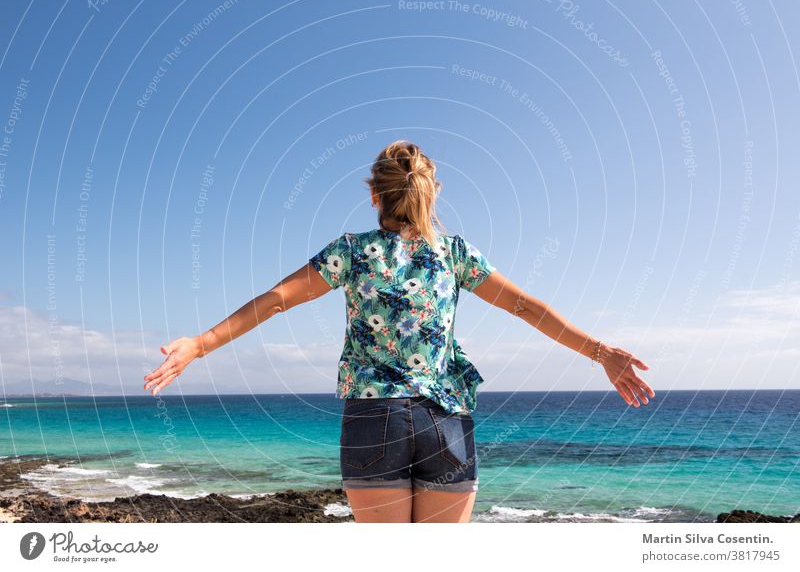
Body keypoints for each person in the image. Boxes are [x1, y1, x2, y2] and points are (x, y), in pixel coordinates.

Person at [143, 140, 654, 523]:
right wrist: (599, 351)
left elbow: (277, 301)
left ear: (374, 196)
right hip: (445, 422)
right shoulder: (454, 254)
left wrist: (201, 344)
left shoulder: (350, 250)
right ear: (430, 195)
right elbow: (524, 307)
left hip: (374, 418)